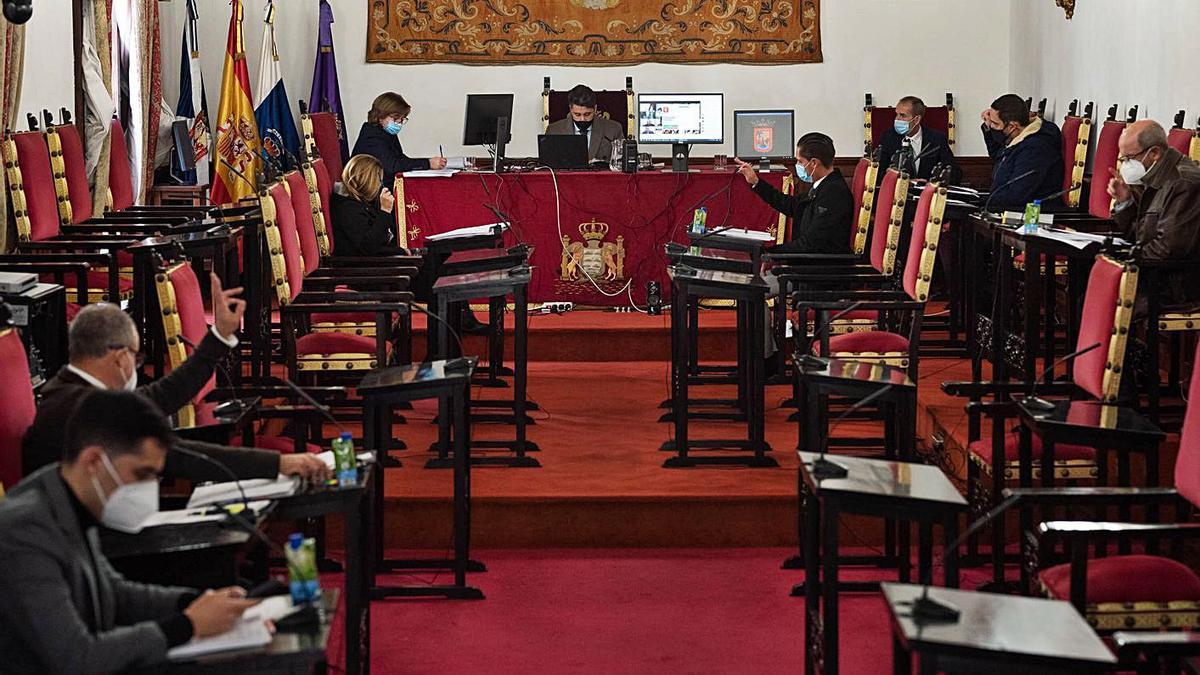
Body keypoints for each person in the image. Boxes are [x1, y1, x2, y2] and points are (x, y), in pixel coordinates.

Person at [0, 390, 262, 673]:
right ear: (93, 461)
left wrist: (194, 602)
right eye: (141, 474)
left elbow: (113, 591)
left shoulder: (69, 493)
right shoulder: (24, 531)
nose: (150, 486)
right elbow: (77, 657)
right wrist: (187, 625)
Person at [21, 275, 328, 482]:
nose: (136, 367)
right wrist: (279, 464)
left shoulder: (72, 390)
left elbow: (162, 395)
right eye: (137, 357)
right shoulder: (86, 407)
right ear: (119, 357)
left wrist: (218, 338)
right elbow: (177, 455)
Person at [1108, 119, 1200, 312]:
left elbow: (1169, 248)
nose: (1126, 165)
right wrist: (1125, 202)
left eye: (1129, 158)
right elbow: (1141, 235)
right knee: (1091, 287)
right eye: (1122, 159)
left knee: (1102, 300)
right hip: (1152, 273)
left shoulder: (1184, 182)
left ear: (1155, 153)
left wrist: (1125, 259)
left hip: (1175, 284)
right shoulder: (1150, 178)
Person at [735, 132, 854, 254]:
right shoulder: (824, 184)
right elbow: (792, 205)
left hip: (819, 267)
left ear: (814, 163)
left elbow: (810, 245)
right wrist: (756, 182)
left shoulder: (834, 193)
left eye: (800, 162)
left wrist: (767, 253)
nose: (798, 166)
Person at [981, 93, 1064, 211]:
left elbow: (1017, 195)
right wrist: (987, 129)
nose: (991, 126)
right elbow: (998, 155)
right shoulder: (1018, 138)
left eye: (995, 123)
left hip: (1028, 213)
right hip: (1005, 206)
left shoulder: (1035, 149)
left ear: (1012, 126)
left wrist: (983, 201)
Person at [351, 92, 447, 185]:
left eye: (402, 118)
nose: (399, 122)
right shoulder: (372, 135)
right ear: (380, 116)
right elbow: (392, 166)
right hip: (369, 193)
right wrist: (428, 163)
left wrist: (429, 163)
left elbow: (399, 158)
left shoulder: (385, 131)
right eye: (396, 118)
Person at [330, 154, 407, 257]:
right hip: (362, 267)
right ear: (369, 181)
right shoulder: (347, 208)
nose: (380, 186)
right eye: (379, 181)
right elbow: (368, 246)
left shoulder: (361, 202)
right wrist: (385, 211)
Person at [875, 95, 961, 183]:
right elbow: (878, 174)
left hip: (926, 193)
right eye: (896, 114)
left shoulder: (937, 139)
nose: (897, 119)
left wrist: (930, 183)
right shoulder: (888, 137)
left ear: (917, 120)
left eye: (902, 115)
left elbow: (954, 173)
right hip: (897, 193)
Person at [544, 84, 626, 163]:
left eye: (587, 114)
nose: (582, 119)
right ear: (570, 109)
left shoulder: (614, 129)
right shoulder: (554, 130)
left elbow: (622, 161)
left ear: (595, 108)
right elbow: (547, 164)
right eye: (577, 114)